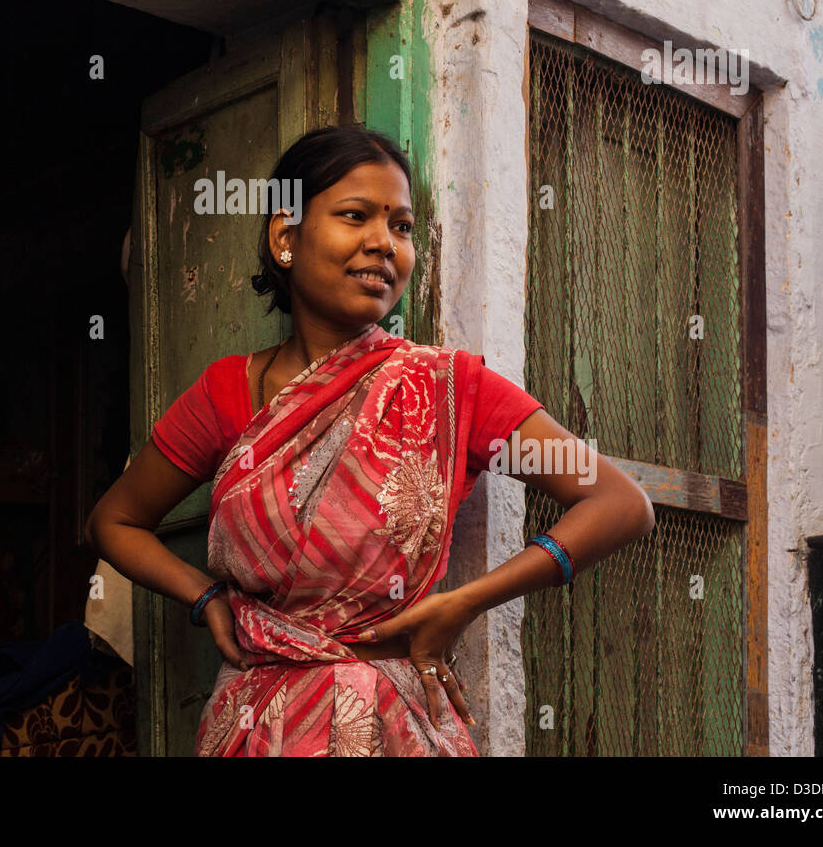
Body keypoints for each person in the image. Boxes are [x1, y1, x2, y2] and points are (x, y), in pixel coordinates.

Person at [86, 124, 655, 756]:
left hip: (395, 725)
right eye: (355, 216)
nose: (383, 243)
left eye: (403, 226)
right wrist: (206, 596)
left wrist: (463, 604)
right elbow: (115, 521)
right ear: (285, 237)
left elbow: (620, 505)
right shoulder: (229, 393)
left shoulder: (448, 389)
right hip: (256, 725)